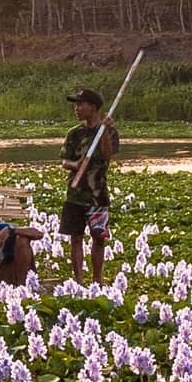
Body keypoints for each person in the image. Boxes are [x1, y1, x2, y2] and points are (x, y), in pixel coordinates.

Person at [59, 87, 119, 284]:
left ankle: (97, 279)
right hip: (75, 193)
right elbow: (64, 161)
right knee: (75, 238)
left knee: (98, 238)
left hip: (97, 193)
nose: (76, 108)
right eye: (75, 104)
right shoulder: (74, 133)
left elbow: (107, 156)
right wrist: (76, 164)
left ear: (93, 107)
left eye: (80, 104)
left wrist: (103, 132)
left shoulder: (109, 131)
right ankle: (78, 280)